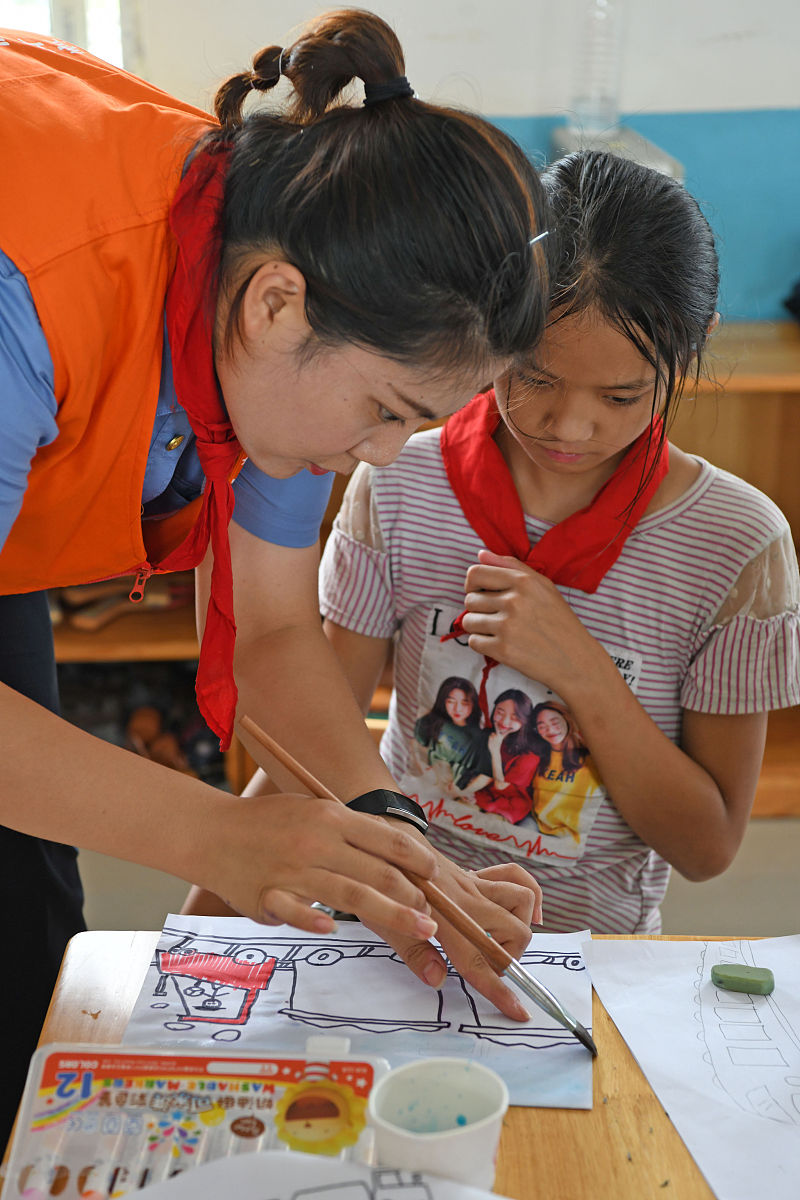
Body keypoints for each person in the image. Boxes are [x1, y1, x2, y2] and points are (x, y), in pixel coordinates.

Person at [0, 10, 549, 1148]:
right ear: (274, 305)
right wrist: (218, 838)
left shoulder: (269, 325)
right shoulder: (35, 292)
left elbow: (275, 643)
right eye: (387, 413)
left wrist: (393, 841)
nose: (383, 456)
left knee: (26, 906)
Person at [320, 148, 800, 936]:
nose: (569, 427)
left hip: (593, 963)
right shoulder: (399, 483)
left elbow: (706, 843)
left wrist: (579, 667)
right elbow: (319, 732)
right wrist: (190, 926)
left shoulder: (737, 545)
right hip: (397, 925)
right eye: (535, 376)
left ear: (692, 347)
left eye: (621, 395)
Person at [529, 701, 602, 842]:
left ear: (566, 719)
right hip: (536, 829)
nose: (549, 730)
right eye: (541, 726)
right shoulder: (539, 757)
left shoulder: (591, 755)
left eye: (554, 722)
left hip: (573, 839)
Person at [469, 689, 541, 824]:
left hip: (510, 802)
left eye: (514, 717)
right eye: (500, 713)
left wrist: (495, 751)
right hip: (484, 792)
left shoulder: (530, 756)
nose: (504, 722)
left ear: (525, 720)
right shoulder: (489, 735)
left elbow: (501, 786)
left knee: (487, 823)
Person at [412, 676, 490, 793]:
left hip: (456, 792)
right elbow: (415, 747)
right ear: (443, 701)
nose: (457, 709)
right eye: (451, 701)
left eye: (464, 703)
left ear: (473, 704)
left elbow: (486, 775)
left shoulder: (480, 738)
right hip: (426, 784)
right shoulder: (431, 722)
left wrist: (461, 792)